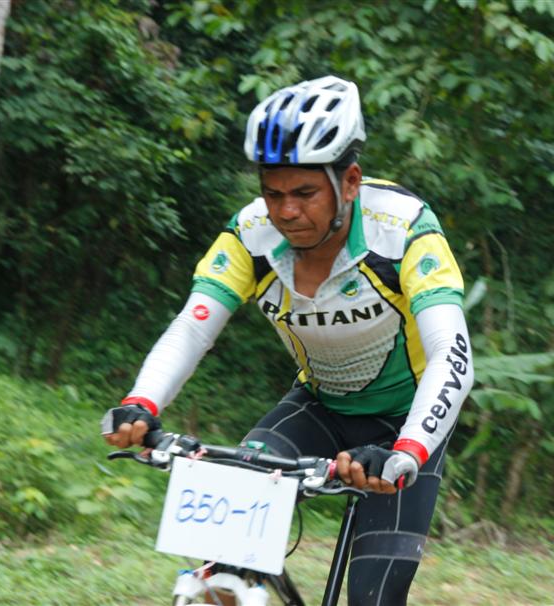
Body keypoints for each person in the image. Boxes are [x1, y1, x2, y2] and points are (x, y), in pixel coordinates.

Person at [101, 75, 474, 605]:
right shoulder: (251, 234)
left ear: (350, 182)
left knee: (374, 597)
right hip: (318, 406)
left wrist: (409, 449)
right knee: (223, 558)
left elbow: (451, 357)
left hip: (405, 422)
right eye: (272, 193)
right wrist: (142, 403)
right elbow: (193, 326)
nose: (286, 212)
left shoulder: (402, 230)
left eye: (304, 193)